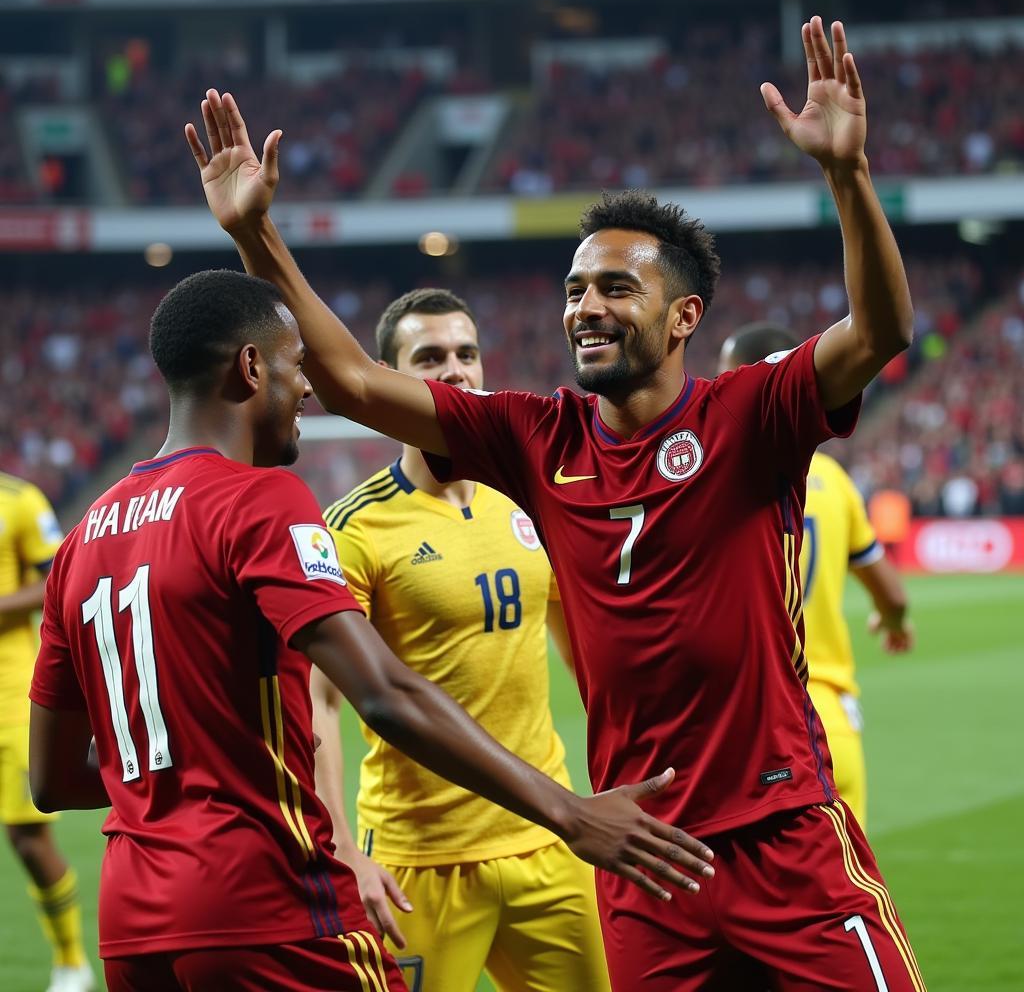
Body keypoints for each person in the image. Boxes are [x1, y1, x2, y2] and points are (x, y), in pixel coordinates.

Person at [187, 15, 926, 990]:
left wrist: (846, 174)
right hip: (641, 853)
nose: (584, 306)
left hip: (783, 833)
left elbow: (880, 328)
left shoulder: (754, 414)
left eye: (616, 287)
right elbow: (360, 385)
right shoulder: (540, 437)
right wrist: (256, 234)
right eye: (575, 288)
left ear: (683, 317)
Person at [28, 269, 713, 992]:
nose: (310, 391)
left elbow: (52, 779)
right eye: (297, 368)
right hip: (268, 898)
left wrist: (187, 760)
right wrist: (569, 812)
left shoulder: (85, 537)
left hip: (135, 920)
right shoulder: (264, 500)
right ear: (253, 367)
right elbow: (379, 694)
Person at [311, 287, 610, 992]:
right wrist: (343, 851)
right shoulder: (351, 527)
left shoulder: (531, 499)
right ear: (387, 382)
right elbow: (318, 701)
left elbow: (590, 658)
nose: (456, 371)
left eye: (467, 354)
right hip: (420, 861)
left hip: (548, 838)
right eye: (431, 357)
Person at [719, 321, 915, 828]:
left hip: (752, 725)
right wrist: (892, 623)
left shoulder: (708, 474)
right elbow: (892, 596)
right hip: (830, 718)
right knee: (848, 895)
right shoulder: (833, 480)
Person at [0, 472, 95, 992]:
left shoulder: (17, 501)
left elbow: (55, 575)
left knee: (27, 839)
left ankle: (71, 961)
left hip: (10, 696)